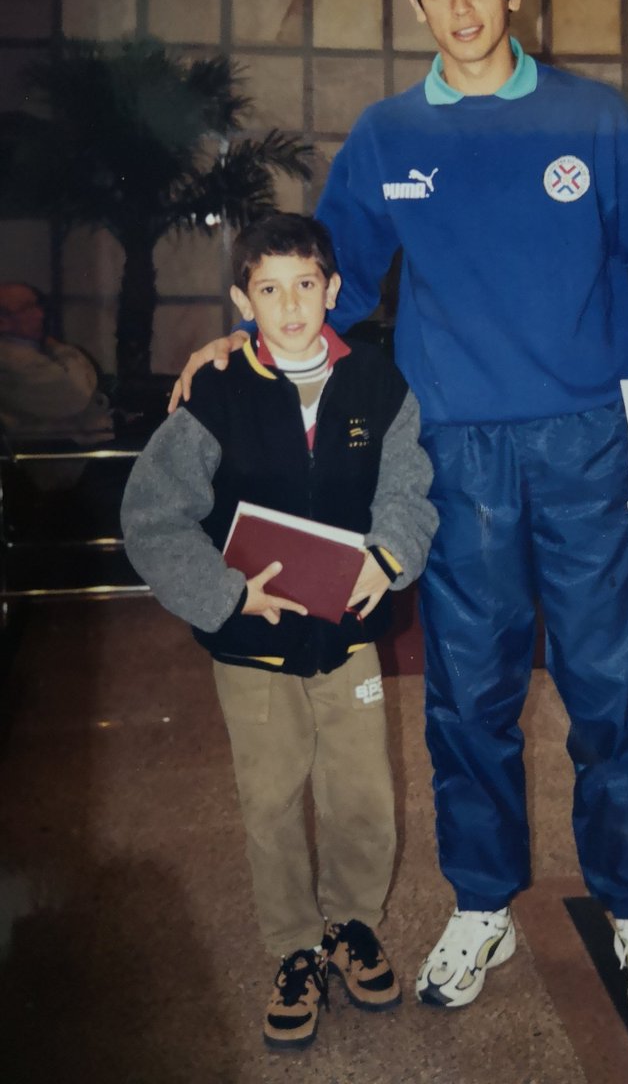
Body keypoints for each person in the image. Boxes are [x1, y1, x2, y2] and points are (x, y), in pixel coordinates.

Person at [171, 0, 628, 1023]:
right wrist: (249, 341)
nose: (460, 7)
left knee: (612, 684)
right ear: (417, 5)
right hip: (449, 448)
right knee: (471, 691)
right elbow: (336, 286)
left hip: (585, 439)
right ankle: (480, 902)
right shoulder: (386, 136)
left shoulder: (593, 119)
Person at [122, 213, 437, 1050]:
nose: (291, 306)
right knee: (270, 798)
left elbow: (408, 487)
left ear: (333, 291)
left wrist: (390, 552)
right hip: (250, 643)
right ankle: (296, 947)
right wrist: (225, 594)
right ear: (242, 300)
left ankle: (353, 926)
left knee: (363, 793)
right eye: (270, 289)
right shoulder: (215, 393)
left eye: (306, 286)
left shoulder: (377, 381)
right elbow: (151, 519)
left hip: (348, 633)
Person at [0, 281, 113, 489]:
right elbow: (76, 394)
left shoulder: (30, 349)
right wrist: (61, 349)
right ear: (3, 321)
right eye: (27, 309)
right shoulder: (11, 359)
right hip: (63, 464)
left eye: (37, 306)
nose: (40, 315)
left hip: (81, 450)